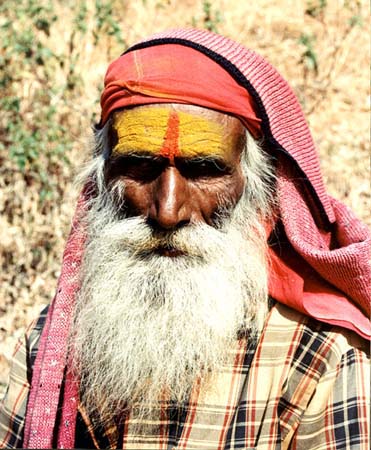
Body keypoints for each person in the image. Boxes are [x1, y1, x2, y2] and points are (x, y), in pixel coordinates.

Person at [0, 28, 370, 450]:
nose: (168, 210)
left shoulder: (316, 362)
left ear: (258, 188)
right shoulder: (49, 342)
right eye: (139, 164)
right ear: (101, 180)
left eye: (204, 170)